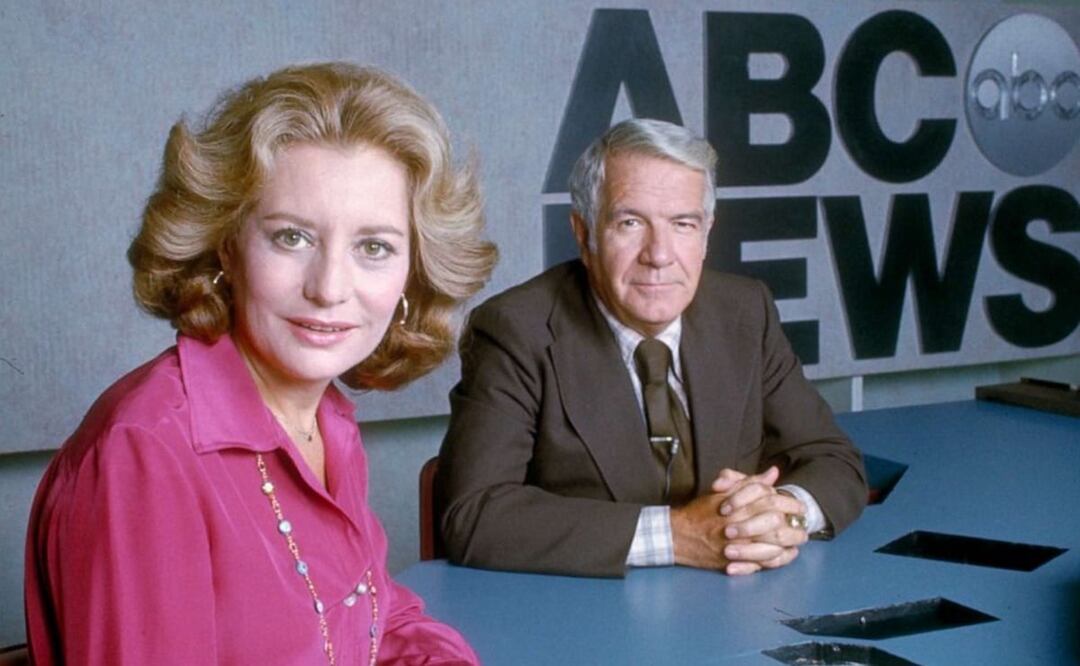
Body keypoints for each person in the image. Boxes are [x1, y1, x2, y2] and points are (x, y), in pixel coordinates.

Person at [24, 62, 496, 664]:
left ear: (412, 271)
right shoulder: (145, 454)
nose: (329, 288)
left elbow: (369, 614)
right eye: (291, 237)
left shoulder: (321, 415)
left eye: (373, 247)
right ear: (227, 242)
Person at [438, 118, 866, 578]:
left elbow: (834, 460)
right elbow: (475, 514)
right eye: (630, 222)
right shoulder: (515, 330)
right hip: (589, 624)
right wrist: (678, 534)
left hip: (740, 606)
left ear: (706, 234)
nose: (659, 254)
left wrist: (780, 514)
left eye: (683, 224)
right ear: (584, 235)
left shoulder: (745, 311)